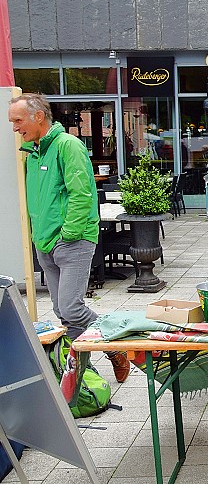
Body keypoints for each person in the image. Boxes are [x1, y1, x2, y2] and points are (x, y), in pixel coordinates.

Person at [9, 93, 130, 383]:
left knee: (72, 307)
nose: (14, 127)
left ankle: (117, 349)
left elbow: (81, 194)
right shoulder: (34, 151)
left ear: (39, 116)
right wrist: (40, 236)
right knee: (62, 311)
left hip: (71, 241)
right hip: (45, 242)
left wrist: (69, 234)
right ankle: (83, 373)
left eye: (18, 120)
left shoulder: (67, 146)